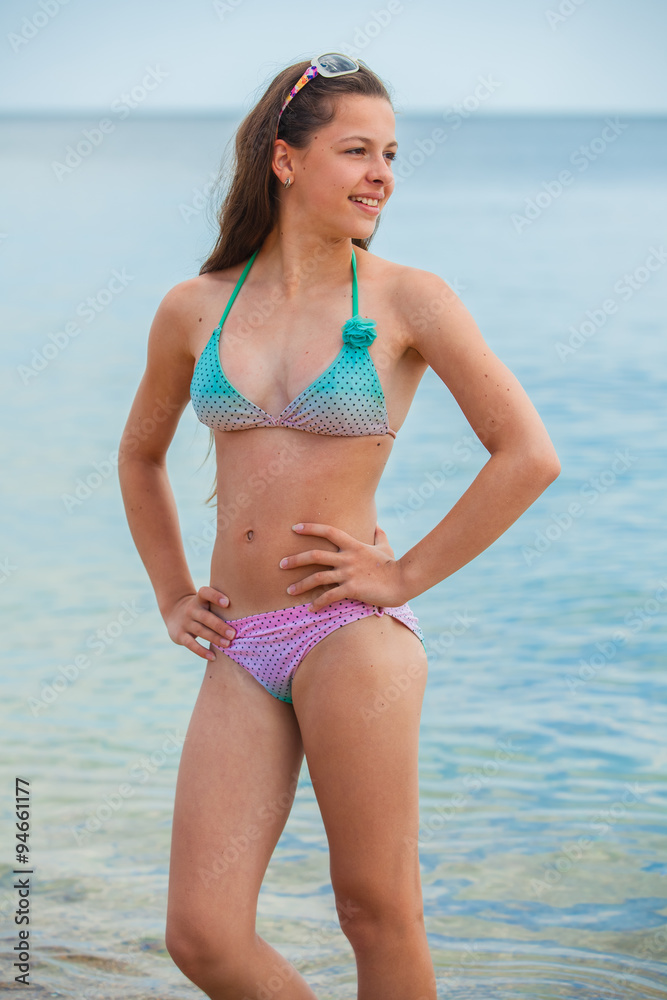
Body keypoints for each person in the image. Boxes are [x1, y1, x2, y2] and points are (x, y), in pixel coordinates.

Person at [118, 53, 560, 1000]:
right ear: (283, 160)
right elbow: (139, 457)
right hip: (240, 642)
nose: (381, 175)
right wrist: (168, 592)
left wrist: (400, 580)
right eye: (356, 150)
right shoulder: (193, 308)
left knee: (372, 907)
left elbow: (527, 453)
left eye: (391, 155)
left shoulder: (407, 298)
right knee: (201, 934)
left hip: (348, 636)